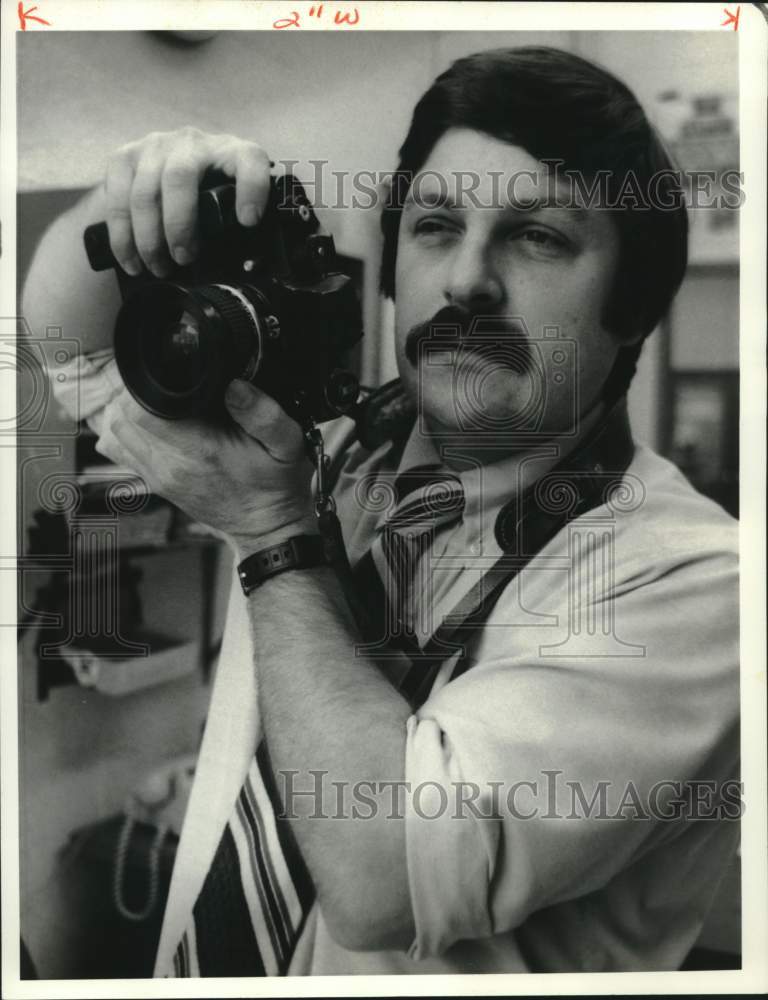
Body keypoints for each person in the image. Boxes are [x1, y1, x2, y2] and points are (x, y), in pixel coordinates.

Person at [23, 46, 739, 975]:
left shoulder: (698, 581)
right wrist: (132, 204)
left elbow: (382, 875)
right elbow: (68, 346)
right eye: (436, 226)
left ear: (631, 309)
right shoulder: (323, 452)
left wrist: (275, 539)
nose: (467, 281)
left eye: (538, 236)